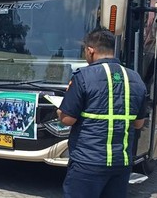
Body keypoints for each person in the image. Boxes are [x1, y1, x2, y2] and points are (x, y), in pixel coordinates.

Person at [57, 28, 149, 198]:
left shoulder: (83, 76)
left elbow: (67, 119)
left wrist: (59, 112)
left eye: (85, 51)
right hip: (121, 163)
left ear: (90, 50)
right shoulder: (135, 78)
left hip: (88, 162)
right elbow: (138, 124)